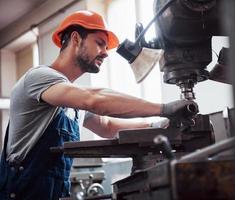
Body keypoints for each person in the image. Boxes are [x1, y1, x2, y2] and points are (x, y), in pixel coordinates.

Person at [0, 10, 197, 200]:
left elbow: (106, 126)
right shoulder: (40, 78)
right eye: (100, 44)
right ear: (76, 39)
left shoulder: (70, 97)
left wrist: (158, 125)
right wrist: (165, 108)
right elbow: (95, 100)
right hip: (23, 192)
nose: (105, 53)